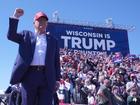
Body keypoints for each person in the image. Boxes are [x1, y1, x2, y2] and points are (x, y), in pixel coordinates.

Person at [7, 8, 61, 105]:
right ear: (34, 23)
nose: (42, 22)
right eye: (39, 20)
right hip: (29, 76)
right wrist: (15, 17)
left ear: (47, 24)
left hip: (47, 77)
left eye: (44, 21)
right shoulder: (26, 35)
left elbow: (56, 62)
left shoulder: (53, 41)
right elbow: (11, 35)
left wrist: (57, 79)